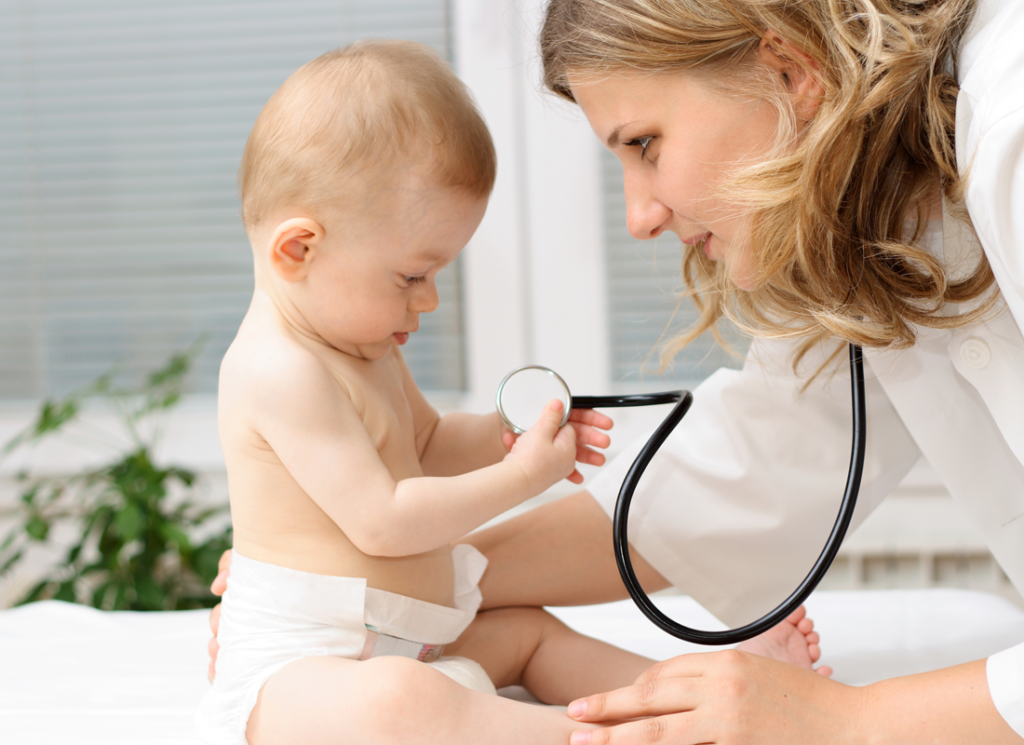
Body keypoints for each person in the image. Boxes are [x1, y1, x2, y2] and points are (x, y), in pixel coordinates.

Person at [197, 39, 826, 745]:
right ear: (298, 250)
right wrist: (521, 475)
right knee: (396, 701)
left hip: (418, 642)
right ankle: (604, 734)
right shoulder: (280, 370)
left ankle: (688, 695)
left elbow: (428, 446)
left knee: (529, 635)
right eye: (411, 276)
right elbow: (384, 521)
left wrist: (509, 430)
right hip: (307, 680)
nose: (428, 300)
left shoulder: (361, 347)